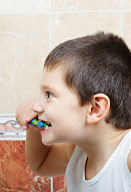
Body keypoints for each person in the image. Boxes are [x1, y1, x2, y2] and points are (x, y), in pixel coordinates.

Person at [16, 32, 131, 191]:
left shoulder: (127, 155)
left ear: (95, 108)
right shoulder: (78, 153)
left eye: (49, 95)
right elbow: (41, 163)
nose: (38, 105)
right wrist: (34, 125)